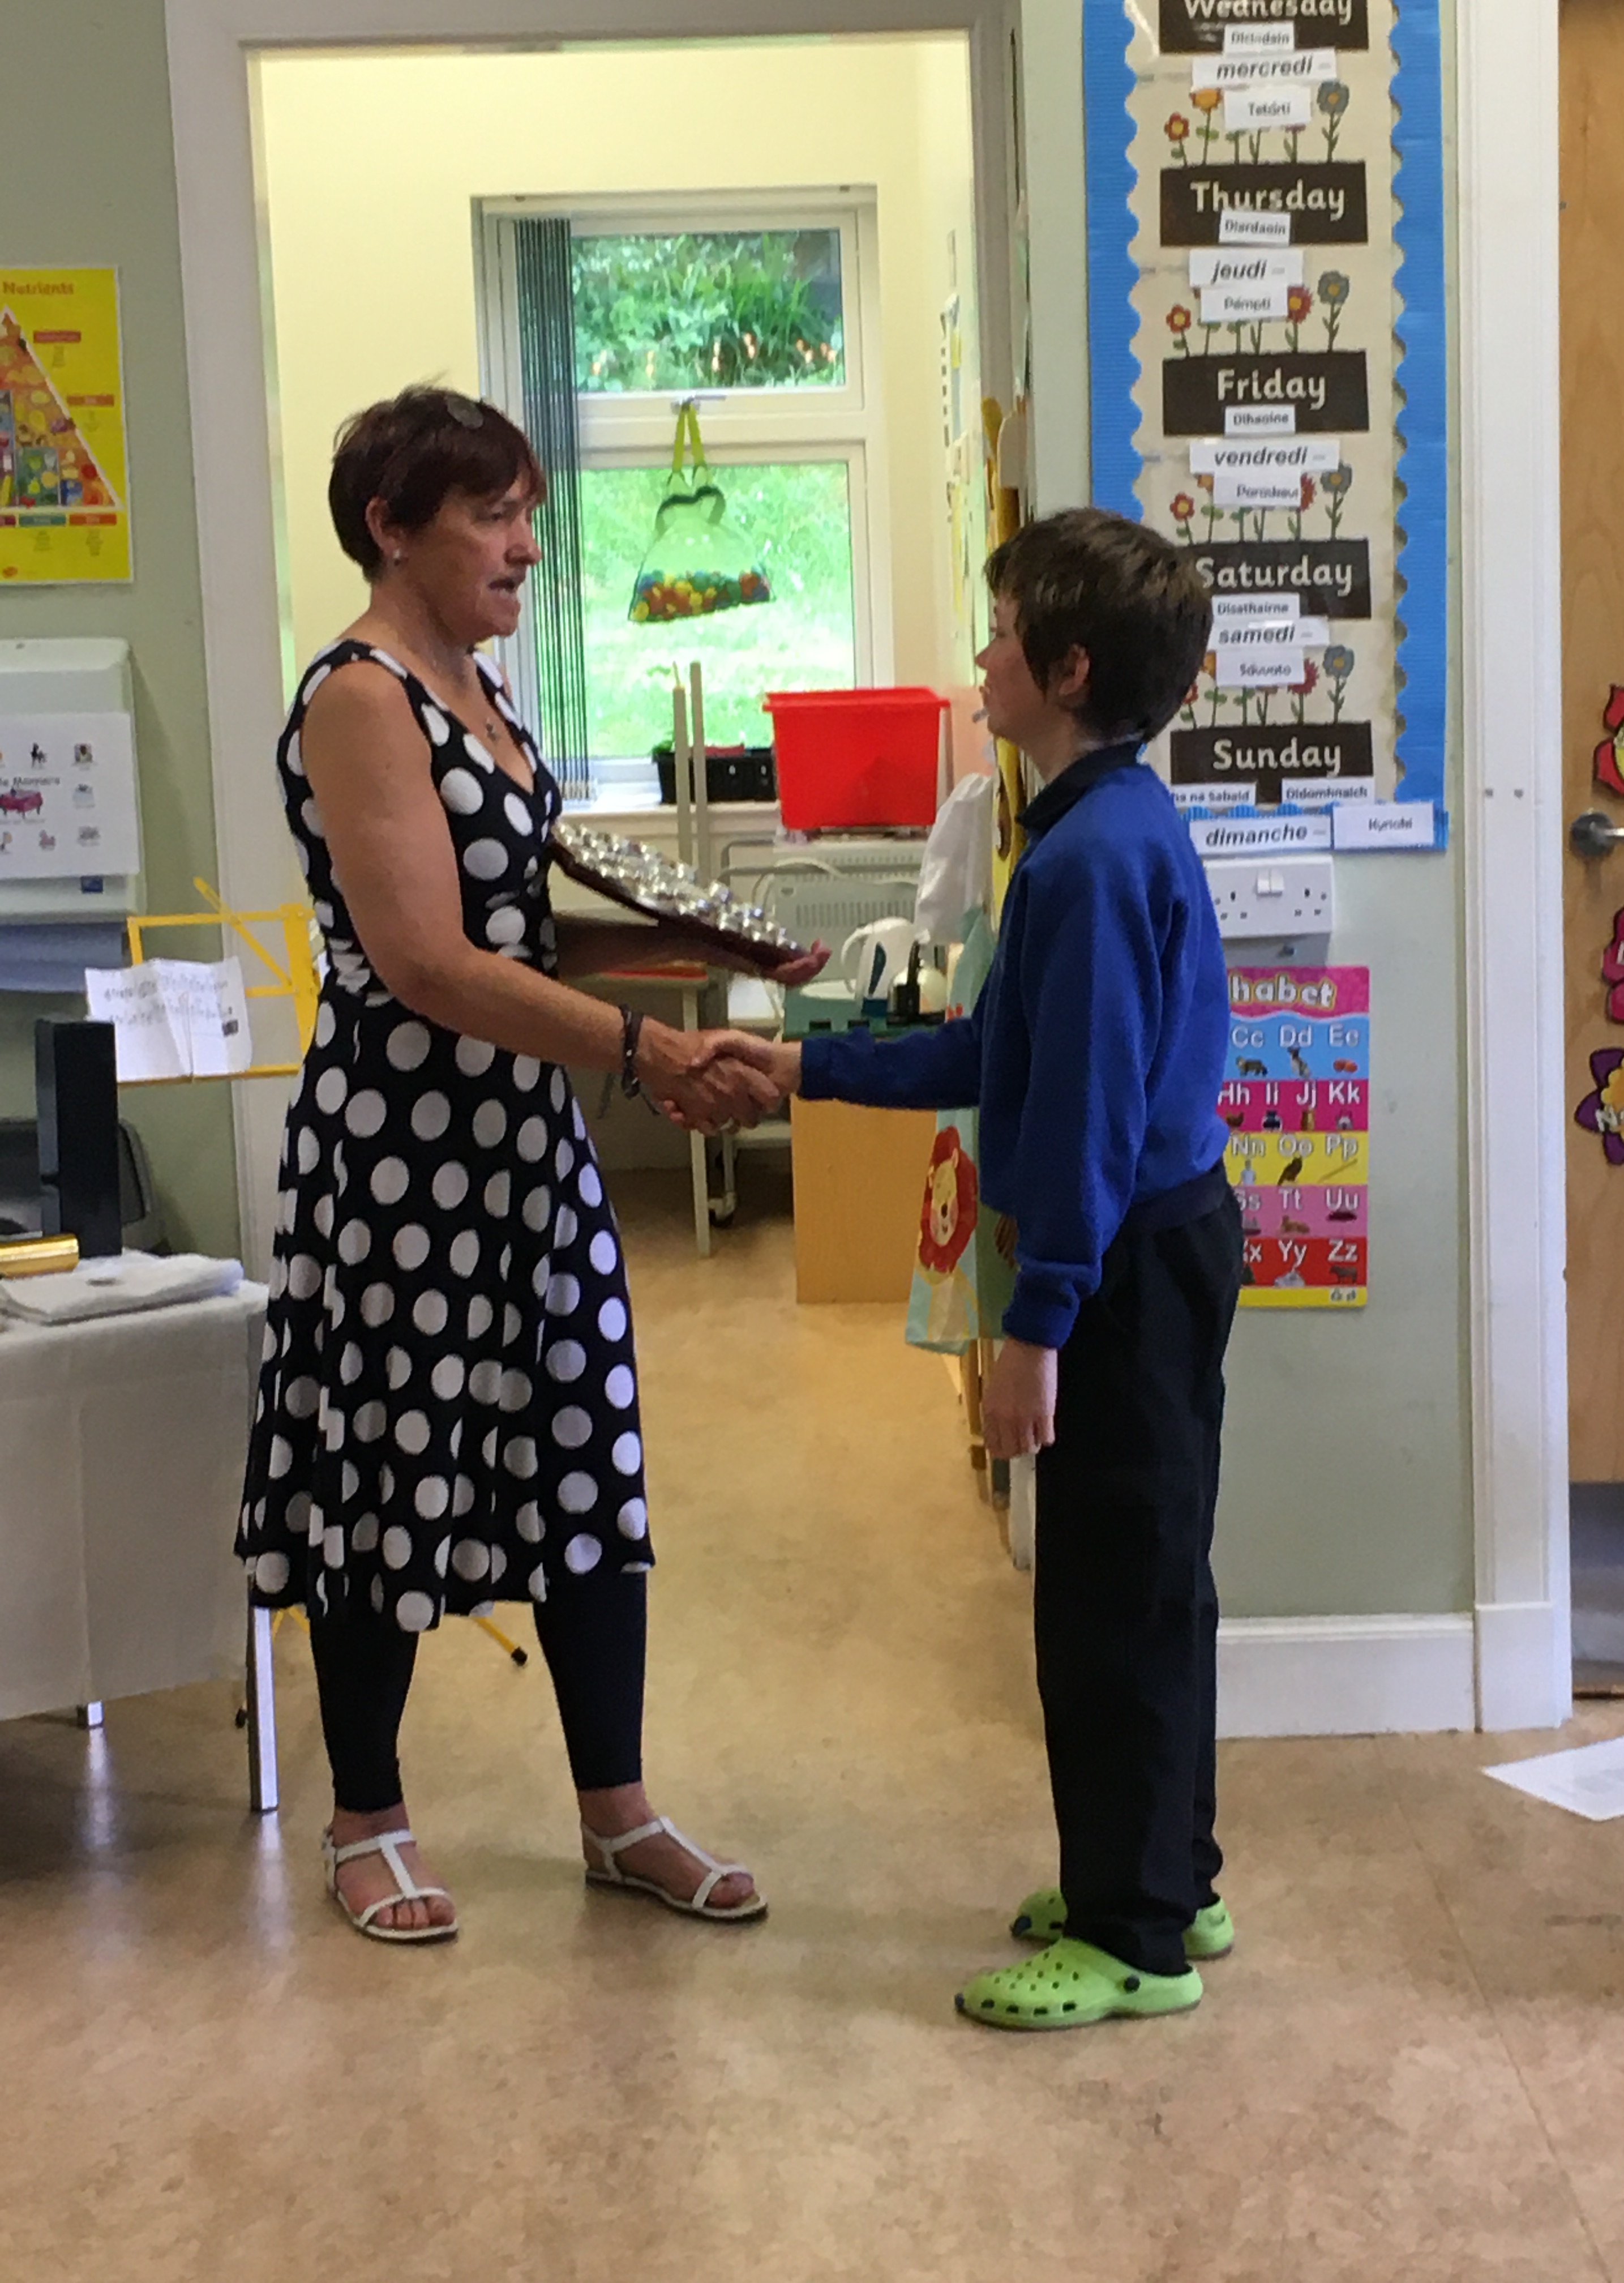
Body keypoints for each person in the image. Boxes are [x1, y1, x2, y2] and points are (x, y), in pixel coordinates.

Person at [237, 386, 822, 1944]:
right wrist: (644, 1052)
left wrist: (709, 957)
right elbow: (426, 962)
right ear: (391, 528)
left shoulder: (482, 685)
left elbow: (519, 933)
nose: (526, 547)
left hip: (524, 1144)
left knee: (584, 1457)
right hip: (403, 1153)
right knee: (391, 1467)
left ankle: (617, 1812)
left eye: (529, 516)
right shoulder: (361, 696)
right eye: (493, 516)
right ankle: (367, 1820)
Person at [700, 508, 1240, 2027]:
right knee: (1149, 1578)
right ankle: (1167, 1876)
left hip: (1122, 1262)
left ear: (1067, 671)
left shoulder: (1089, 860)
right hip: (1154, 1240)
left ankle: (1134, 1939)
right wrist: (800, 1068)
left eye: (1000, 637)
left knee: (1111, 1602)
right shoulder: (1094, 823)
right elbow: (998, 1051)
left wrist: (1038, 1327)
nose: (981, 661)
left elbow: (1080, 1115)